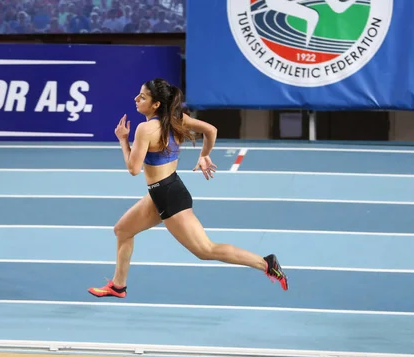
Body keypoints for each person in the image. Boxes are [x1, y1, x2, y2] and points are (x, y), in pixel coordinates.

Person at [87, 78, 288, 298]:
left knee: (206, 250)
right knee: (123, 230)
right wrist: (204, 155)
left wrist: (123, 140)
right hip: (162, 192)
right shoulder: (177, 119)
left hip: (169, 196)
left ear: (155, 105)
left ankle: (266, 263)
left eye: (142, 96)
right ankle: (118, 286)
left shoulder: (145, 129)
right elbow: (211, 130)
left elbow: (134, 169)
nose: (136, 99)